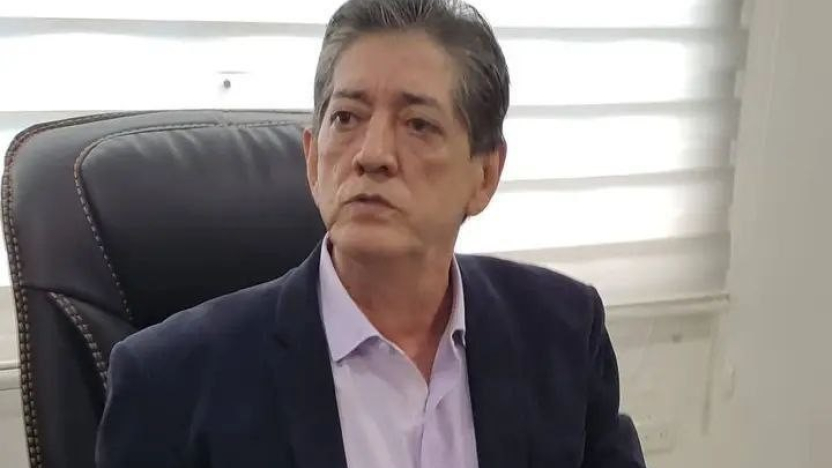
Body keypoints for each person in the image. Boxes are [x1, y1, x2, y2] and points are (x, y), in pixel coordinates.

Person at [96, 0, 646, 467]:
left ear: (484, 175)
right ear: (313, 161)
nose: (373, 154)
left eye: (419, 124)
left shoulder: (562, 333)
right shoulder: (170, 383)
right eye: (347, 118)